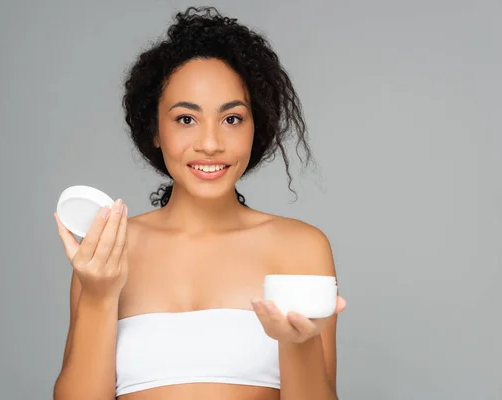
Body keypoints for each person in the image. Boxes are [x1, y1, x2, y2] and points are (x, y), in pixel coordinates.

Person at [52, 6, 347, 400]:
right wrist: (99, 295)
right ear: (154, 129)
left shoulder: (300, 247)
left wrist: (297, 343)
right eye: (186, 119)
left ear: (255, 126)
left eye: (232, 119)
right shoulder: (107, 251)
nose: (210, 144)